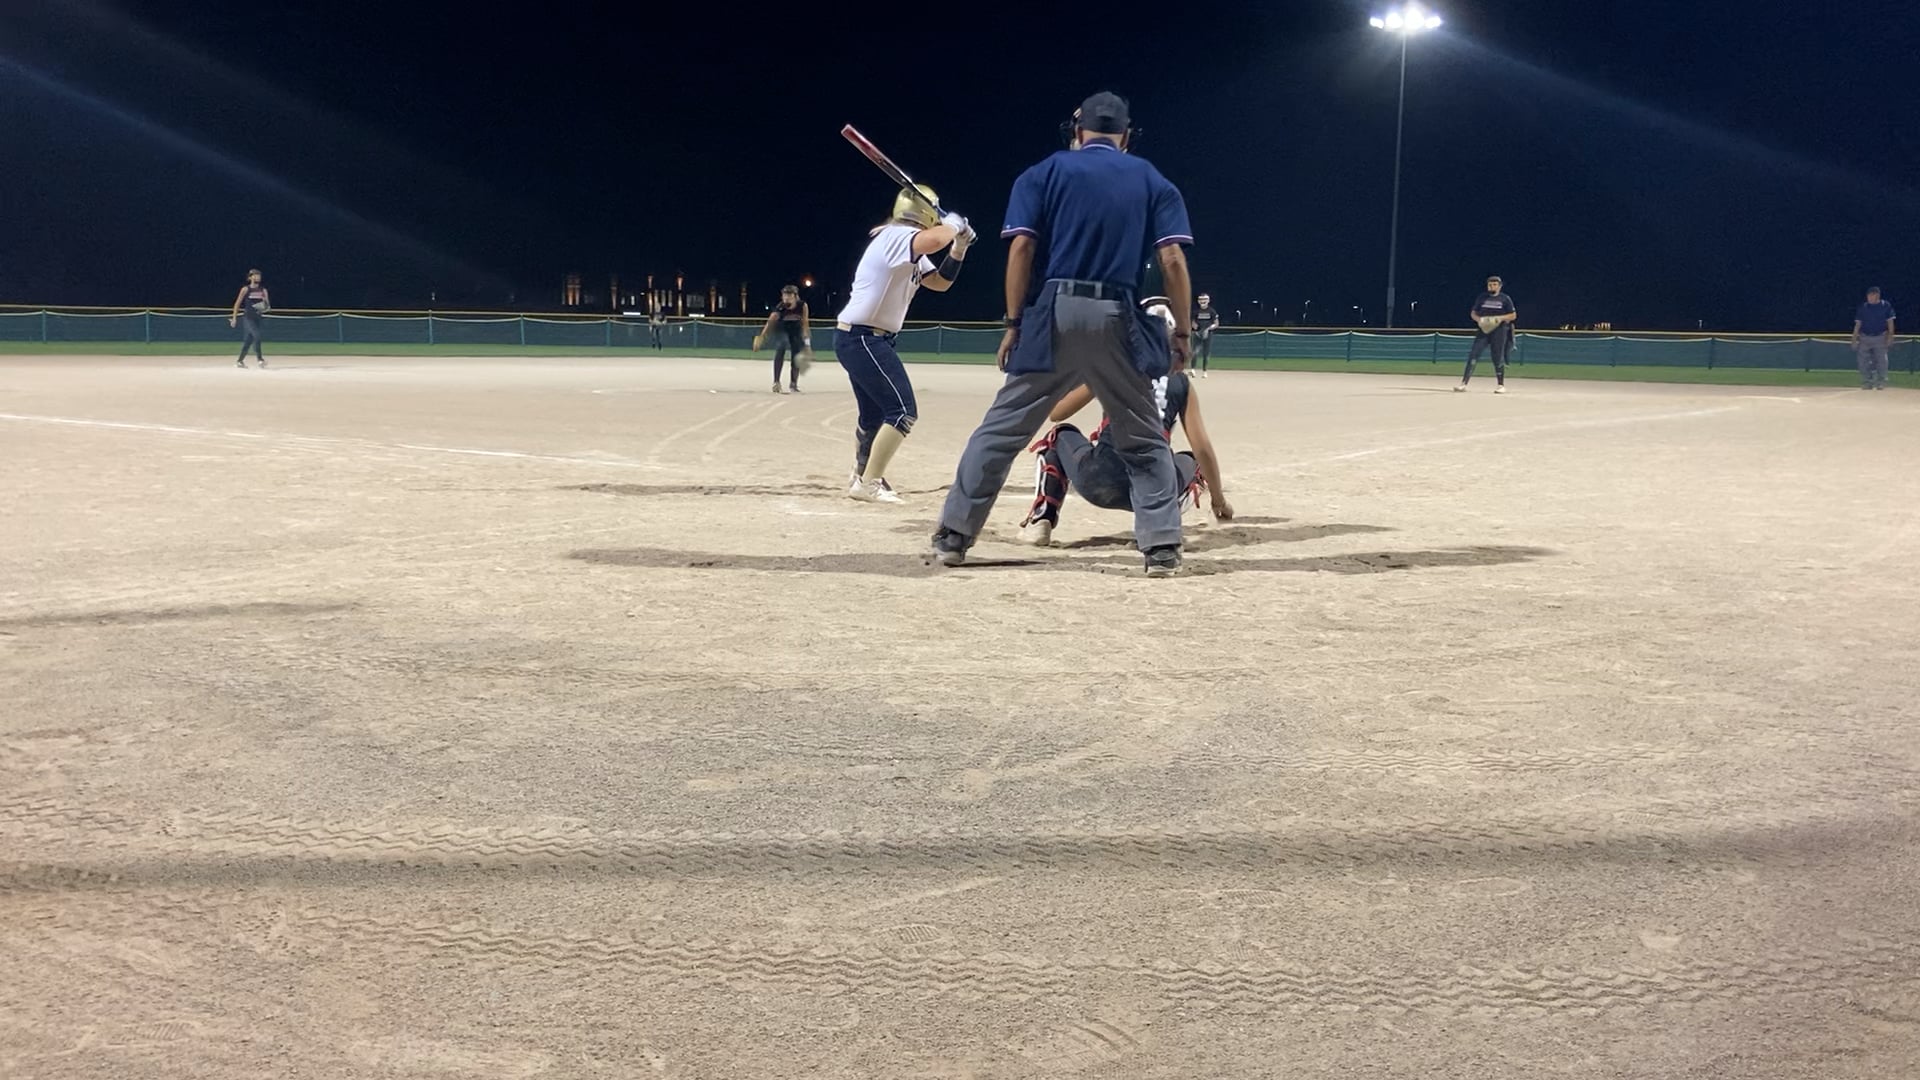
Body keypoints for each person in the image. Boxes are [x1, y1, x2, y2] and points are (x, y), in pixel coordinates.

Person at [932, 91, 1194, 576]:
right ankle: (1161, 546)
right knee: (1142, 436)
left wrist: (1014, 324)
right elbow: (1172, 260)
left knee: (1001, 431)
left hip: (1055, 311)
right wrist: (1182, 332)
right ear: (1126, 136)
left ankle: (954, 534)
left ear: (1077, 131)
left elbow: (1021, 251)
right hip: (1117, 313)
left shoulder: (1043, 173)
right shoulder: (1152, 179)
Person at [1017, 296, 1233, 546]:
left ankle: (1041, 520)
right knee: (1193, 461)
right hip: (1155, 488)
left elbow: (1057, 413)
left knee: (1059, 435)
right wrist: (1218, 500)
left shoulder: (1111, 368)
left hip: (1101, 480)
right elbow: (1202, 448)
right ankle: (1161, 523)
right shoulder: (1181, 383)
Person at [834, 185, 972, 503]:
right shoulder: (897, 236)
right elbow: (935, 240)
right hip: (863, 338)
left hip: (862, 338)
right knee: (902, 412)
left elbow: (939, 283)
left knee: (873, 416)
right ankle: (869, 483)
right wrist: (954, 224)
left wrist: (959, 248)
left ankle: (861, 476)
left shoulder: (904, 243)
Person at [1457, 274, 1516, 393]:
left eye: (1494, 284)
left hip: (1499, 331)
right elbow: (1473, 313)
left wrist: (1499, 318)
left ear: (1499, 286)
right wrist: (1479, 320)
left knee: (1497, 357)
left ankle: (1500, 385)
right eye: (1490, 284)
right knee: (1474, 354)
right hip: (1483, 330)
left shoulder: (1505, 298)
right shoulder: (1482, 297)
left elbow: (1513, 315)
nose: (1492, 286)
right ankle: (1463, 384)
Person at [754, 285, 812, 393]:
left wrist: (807, 343)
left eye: (789, 295)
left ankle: (793, 384)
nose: (786, 297)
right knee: (782, 345)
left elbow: (805, 323)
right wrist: (762, 336)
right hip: (782, 329)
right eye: (784, 295)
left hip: (796, 330)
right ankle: (776, 382)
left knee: (796, 354)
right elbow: (770, 322)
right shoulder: (780, 307)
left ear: (795, 296)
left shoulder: (802, 305)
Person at [1853, 286, 1897, 390]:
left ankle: (1881, 382)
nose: (1868, 298)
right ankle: (1867, 382)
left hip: (1880, 337)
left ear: (1877, 295)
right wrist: (1854, 339)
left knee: (1881, 361)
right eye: (1868, 296)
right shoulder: (1863, 307)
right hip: (1864, 337)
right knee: (1863, 361)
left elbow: (1890, 322)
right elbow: (1858, 324)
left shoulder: (1885, 305)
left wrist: (1890, 336)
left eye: (1871, 295)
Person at [228, 268, 270, 369]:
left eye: (259, 275)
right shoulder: (246, 289)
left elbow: (267, 306)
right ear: (250, 277)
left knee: (248, 341)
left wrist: (264, 304)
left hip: (258, 318)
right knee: (257, 336)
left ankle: (239, 361)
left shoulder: (263, 290)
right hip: (248, 318)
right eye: (255, 275)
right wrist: (234, 318)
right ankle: (260, 359)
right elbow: (237, 303)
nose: (258, 277)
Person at [1192, 293, 1221, 377]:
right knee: (1195, 352)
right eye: (1201, 299)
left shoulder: (1212, 311)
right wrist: (1196, 328)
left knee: (1206, 353)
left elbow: (1216, 323)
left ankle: (1204, 372)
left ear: (1208, 300)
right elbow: (1193, 322)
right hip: (1197, 334)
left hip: (1208, 334)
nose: (1202, 301)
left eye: (1204, 299)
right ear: (1198, 301)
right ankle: (1193, 370)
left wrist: (1208, 329)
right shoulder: (1196, 311)